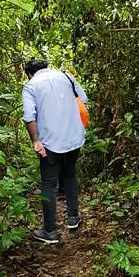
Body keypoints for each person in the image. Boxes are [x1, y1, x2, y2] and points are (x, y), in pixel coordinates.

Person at [22, 59, 88, 244]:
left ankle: (50, 231)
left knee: (48, 184)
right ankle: (73, 217)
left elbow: (29, 116)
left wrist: (36, 141)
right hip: (73, 136)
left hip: (50, 142)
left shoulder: (30, 86)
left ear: (29, 73)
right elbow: (83, 100)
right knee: (69, 174)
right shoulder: (66, 77)